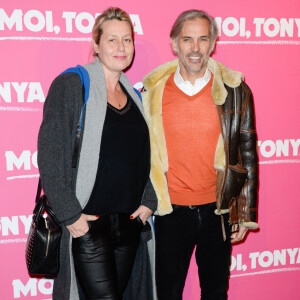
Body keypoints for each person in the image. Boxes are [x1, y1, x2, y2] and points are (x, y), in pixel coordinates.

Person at [38, 7, 157, 300]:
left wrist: (149, 198)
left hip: (128, 224)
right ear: (96, 45)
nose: (121, 47)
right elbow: (50, 156)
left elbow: (144, 157)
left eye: (127, 40)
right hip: (88, 226)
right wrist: (70, 215)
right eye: (112, 40)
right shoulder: (71, 86)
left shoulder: (135, 95)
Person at [142, 9, 258, 300]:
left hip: (217, 211)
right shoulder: (151, 92)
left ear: (213, 42)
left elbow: (246, 152)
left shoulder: (236, 90)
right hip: (170, 213)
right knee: (166, 293)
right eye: (187, 39)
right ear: (174, 43)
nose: (195, 48)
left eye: (203, 39)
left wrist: (244, 213)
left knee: (216, 292)